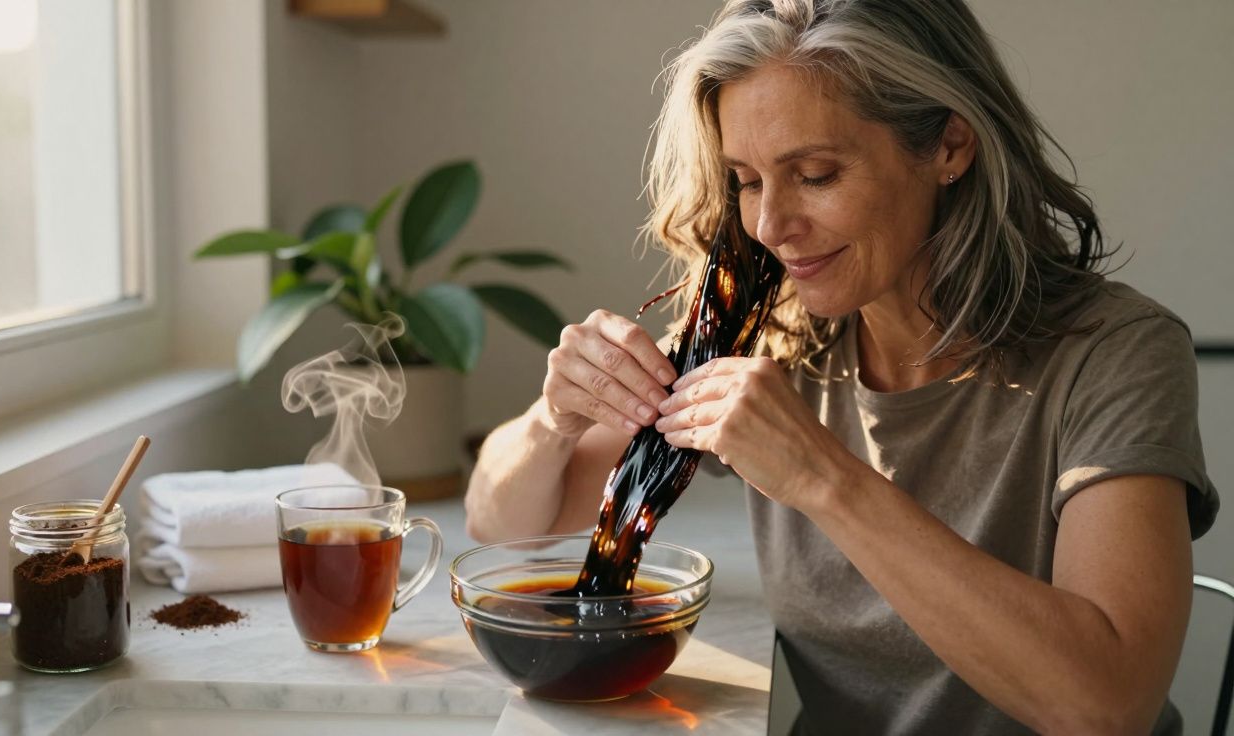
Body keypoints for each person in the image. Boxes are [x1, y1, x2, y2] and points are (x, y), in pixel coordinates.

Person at [464, 0, 1219, 732]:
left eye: (816, 174)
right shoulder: (773, 336)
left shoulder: (1116, 352)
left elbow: (1105, 706)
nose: (769, 226)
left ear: (950, 147)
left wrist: (824, 479)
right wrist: (553, 420)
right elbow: (504, 525)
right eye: (748, 180)